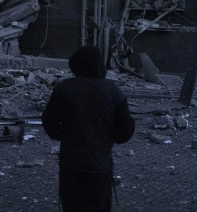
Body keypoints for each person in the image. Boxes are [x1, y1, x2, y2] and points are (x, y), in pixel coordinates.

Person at [42, 45, 135, 211]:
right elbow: (125, 131)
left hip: (71, 164)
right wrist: (106, 138)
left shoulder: (64, 88)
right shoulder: (113, 92)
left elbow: (49, 123)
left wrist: (65, 135)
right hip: (100, 165)